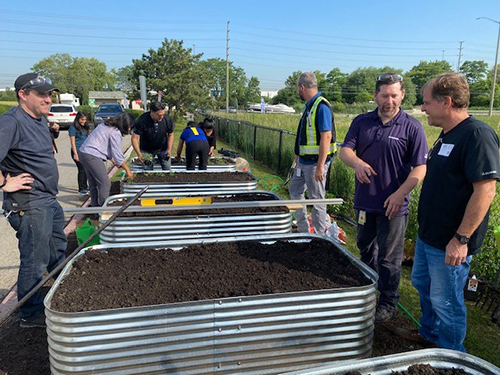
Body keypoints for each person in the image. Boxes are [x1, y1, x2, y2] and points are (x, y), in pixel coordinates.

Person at [412, 73, 499, 352]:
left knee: (446, 301)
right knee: (422, 285)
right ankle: (429, 336)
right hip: (430, 236)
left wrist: (461, 239)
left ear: (446, 102)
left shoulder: (477, 135)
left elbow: (485, 191)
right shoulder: (447, 133)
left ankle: (451, 357)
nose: (423, 108)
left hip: (451, 241)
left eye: (427, 103)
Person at [339, 73, 428, 323]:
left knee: (389, 257)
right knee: (366, 249)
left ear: (402, 95)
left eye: (394, 94)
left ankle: (388, 302)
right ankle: (367, 292)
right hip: (365, 202)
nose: (389, 100)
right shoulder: (362, 122)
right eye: (384, 94)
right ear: (375, 95)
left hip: (393, 206)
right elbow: (345, 151)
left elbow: (420, 168)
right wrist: (356, 163)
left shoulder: (412, 127)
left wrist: (400, 194)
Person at [0, 73, 67, 328]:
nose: (48, 99)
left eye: (50, 94)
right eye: (42, 94)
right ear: (23, 94)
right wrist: (5, 183)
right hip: (29, 203)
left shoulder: (38, 118)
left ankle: (63, 289)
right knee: (35, 259)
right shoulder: (10, 122)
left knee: (56, 248)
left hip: (47, 199)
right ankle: (29, 312)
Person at [289, 72, 336, 234]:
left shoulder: (321, 107)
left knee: (317, 199)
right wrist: (298, 155)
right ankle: (303, 229)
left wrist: (320, 166)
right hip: (303, 161)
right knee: (295, 190)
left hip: (315, 163)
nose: (298, 92)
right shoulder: (310, 106)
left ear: (302, 87)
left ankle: (319, 236)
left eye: (298, 89)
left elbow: (326, 136)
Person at [79, 112, 134, 207]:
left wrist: (112, 159)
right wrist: (128, 170)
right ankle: (103, 209)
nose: (130, 129)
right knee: (105, 184)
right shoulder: (115, 132)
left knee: (94, 184)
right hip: (92, 155)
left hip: (84, 153)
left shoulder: (104, 125)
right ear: (126, 124)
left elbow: (103, 144)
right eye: (130, 126)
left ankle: (96, 209)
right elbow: (117, 154)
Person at [132, 101, 174, 170]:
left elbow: (171, 134)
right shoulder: (142, 120)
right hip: (147, 150)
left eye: (163, 114)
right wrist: (139, 154)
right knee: (148, 171)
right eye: (159, 115)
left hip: (163, 149)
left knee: (167, 169)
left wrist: (169, 149)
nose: (161, 117)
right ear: (152, 112)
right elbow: (134, 138)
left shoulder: (166, 119)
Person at [68, 111, 90, 196]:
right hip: (77, 151)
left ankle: (85, 186)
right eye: (82, 119)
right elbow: (72, 142)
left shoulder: (85, 127)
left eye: (85, 120)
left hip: (85, 151)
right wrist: (75, 154)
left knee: (86, 169)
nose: (83, 121)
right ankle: (81, 189)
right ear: (78, 119)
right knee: (82, 169)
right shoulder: (73, 128)